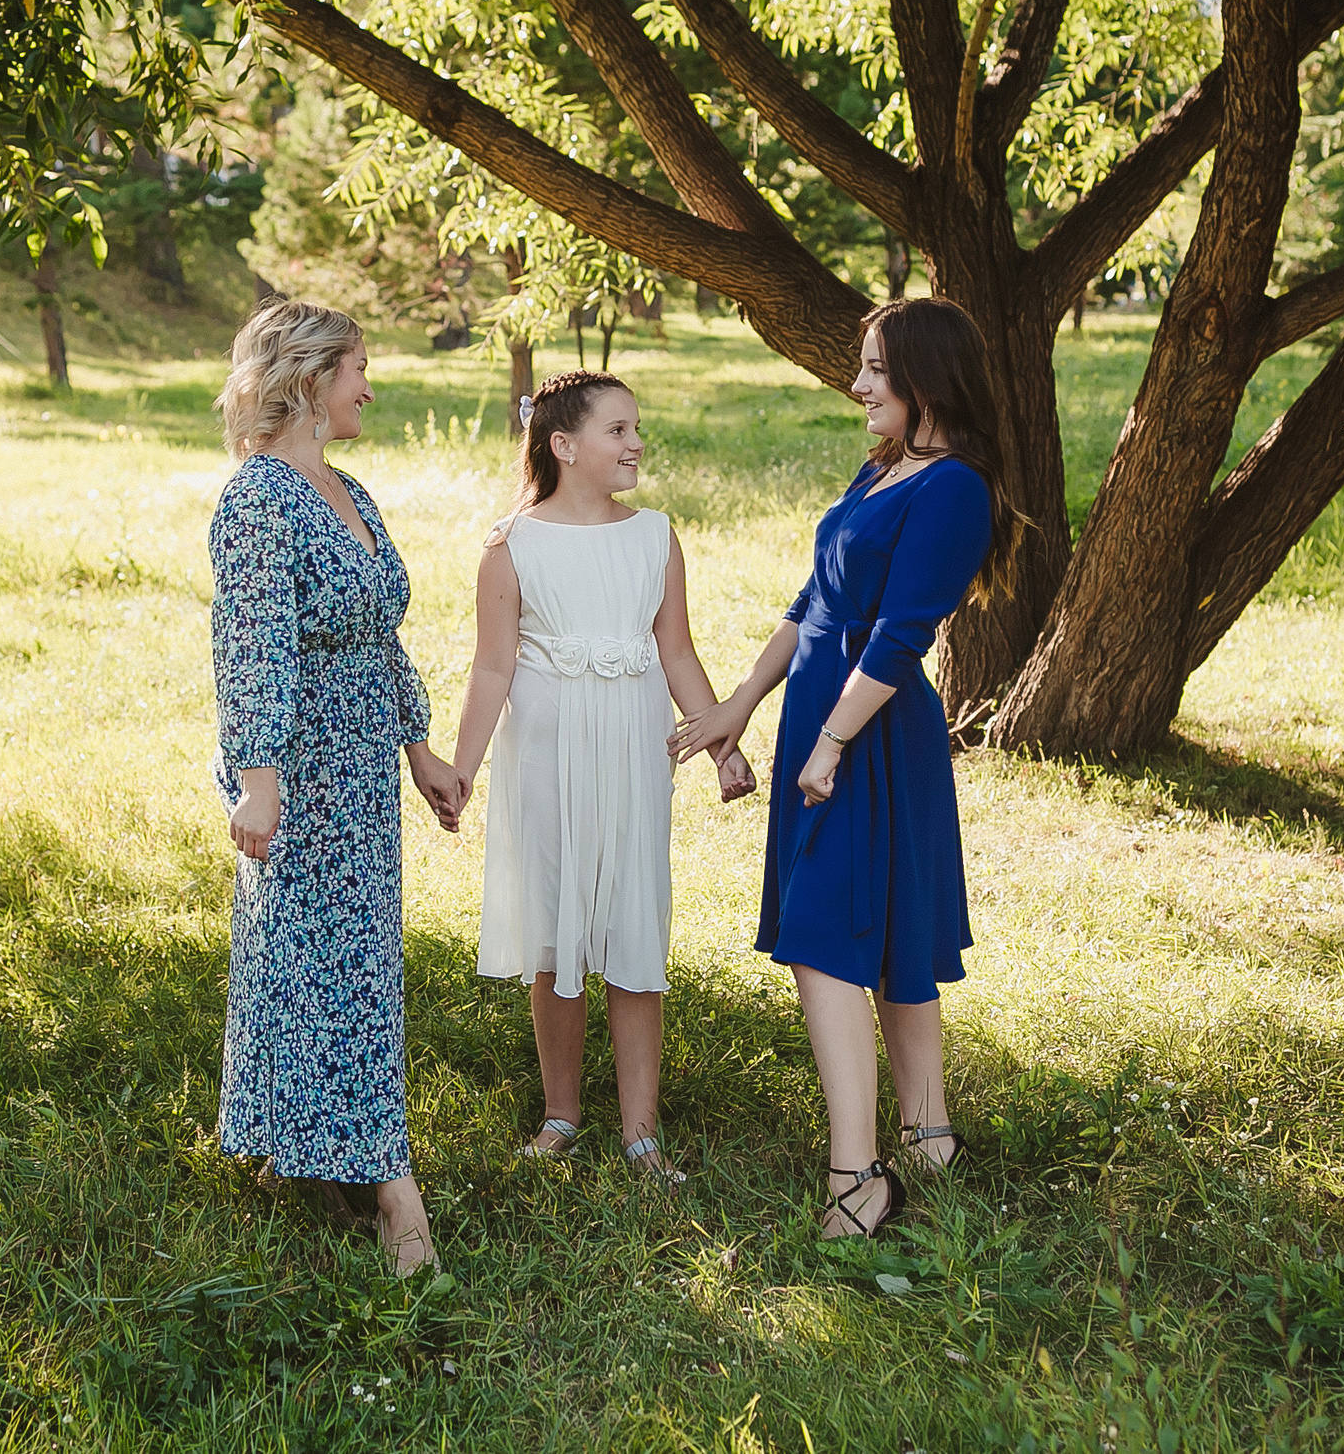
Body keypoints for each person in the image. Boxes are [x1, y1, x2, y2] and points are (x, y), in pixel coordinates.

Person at [669, 297, 1020, 1240]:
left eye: (874, 368)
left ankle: (857, 1175)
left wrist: (828, 740)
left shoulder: (952, 487)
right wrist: (738, 706)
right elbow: (811, 601)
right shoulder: (882, 470)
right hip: (820, 716)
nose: (857, 384)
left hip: (870, 733)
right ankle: (929, 1136)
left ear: (924, 377)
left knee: (829, 937)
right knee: (879, 929)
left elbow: (904, 633)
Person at [444, 370, 757, 1179]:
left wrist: (720, 742)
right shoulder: (511, 544)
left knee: (631, 922)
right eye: (618, 429)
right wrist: (462, 769)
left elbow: (675, 649)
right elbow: (491, 668)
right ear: (564, 444)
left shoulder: (654, 535)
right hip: (546, 754)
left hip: (630, 751)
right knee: (557, 929)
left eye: (636, 427)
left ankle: (642, 1129)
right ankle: (561, 1111)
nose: (636, 442)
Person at [208, 298, 465, 1276]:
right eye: (359, 367)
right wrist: (260, 782)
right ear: (310, 380)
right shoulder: (257, 502)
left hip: (366, 774)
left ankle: (316, 1147)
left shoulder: (346, 486)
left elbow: (377, 634)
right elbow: (251, 652)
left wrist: (421, 751)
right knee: (327, 972)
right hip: (301, 777)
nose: (370, 385)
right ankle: (394, 1191)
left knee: (340, 971)